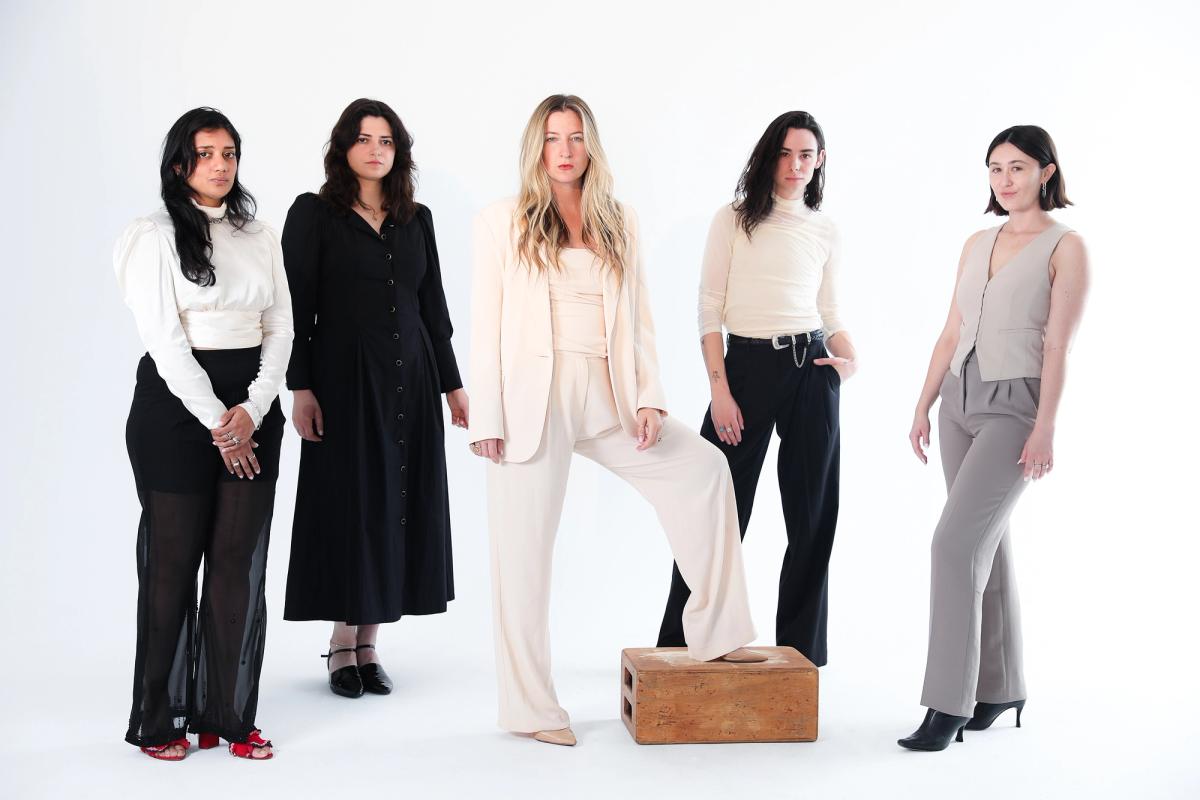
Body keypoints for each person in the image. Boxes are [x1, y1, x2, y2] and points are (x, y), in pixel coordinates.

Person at [468, 94, 764, 748]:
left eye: (576, 137)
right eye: (553, 138)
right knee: (523, 557)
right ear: (537, 147)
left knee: (704, 469)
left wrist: (650, 397)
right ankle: (531, 708)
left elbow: (641, 318)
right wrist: (486, 415)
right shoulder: (500, 221)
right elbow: (484, 325)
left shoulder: (618, 219)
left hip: (609, 395)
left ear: (591, 146)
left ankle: (717, 631)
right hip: (532, 401)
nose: (565, 150)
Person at [898, 125, 1089, 751]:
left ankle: (946, 704)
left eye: (1017, 168)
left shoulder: (1065, 246)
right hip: (958, 399)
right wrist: (924, 403)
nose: (1005, 180)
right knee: (986, 541)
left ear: (1046, 173)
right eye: (995, 169)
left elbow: (1058, 346)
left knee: (953, 545)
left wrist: (1045, 428)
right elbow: (951, 331)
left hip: (1015, 406)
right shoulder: (977, 242)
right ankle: (1000, 686)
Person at [115, 107, 292, 760]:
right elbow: (164, 341)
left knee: (235, 567)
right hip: (176, 413)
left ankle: (228, 716)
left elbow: (281, 327)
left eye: (230, 153)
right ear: (179, 164)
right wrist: (221, 422)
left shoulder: (259, 233)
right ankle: (159, 719)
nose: (221, 165)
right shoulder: (152, 235)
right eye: (207, 153)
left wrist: (253, 409)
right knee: (171, 567)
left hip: (253, 410)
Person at [281, 98, 468, 699]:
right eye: (363, 139)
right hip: (344, 383)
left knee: (397, 502)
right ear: (343, 147)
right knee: (353, 504)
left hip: (411, 380)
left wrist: (453, 384)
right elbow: (294, 310)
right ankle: (341, 642)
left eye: (386, 140)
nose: (375, 150)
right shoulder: (314, 214)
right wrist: (299, 386)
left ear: (398, 152)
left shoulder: (417, 219)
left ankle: (369, 645)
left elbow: (433, 307)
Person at [656, 111, 857, 668]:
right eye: (786, 153)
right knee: (713, 512)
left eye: (807, 155)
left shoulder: (824, 230)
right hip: (744, 369)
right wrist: (719, 391)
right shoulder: (734, 220)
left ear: (819, 161)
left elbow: (829, 312)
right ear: (770, 156)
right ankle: (679, 644)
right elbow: (709, 309)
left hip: (812, 368)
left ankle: (801, 656)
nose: (796, 165)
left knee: (813, 516)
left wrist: (849, 356)